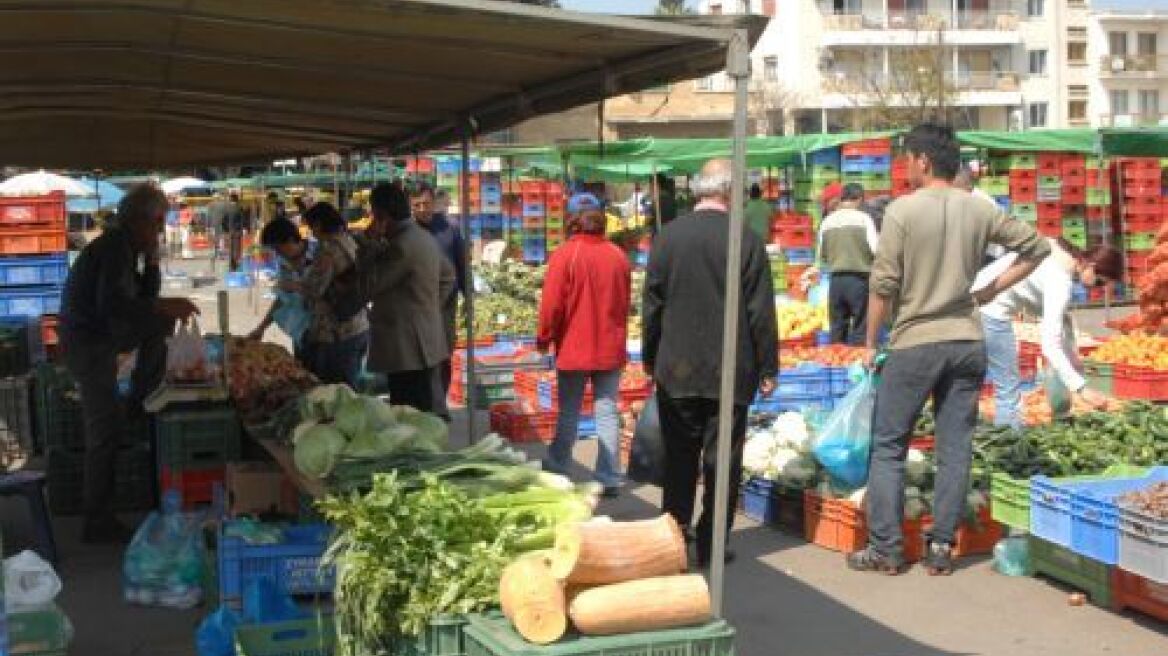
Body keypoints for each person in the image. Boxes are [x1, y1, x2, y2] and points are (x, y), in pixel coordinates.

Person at [852, 124, 1051, 576]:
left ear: (923, 160)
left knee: (888, 446)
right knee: (955, 446)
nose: (905, 167)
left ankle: (886, 548)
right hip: (966, 340)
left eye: (907, 159)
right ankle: (941, 546)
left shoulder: (902, 212)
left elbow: (882, 285)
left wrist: (869, 342)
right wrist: (988, 290)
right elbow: (1036, 247)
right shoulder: (979, 209)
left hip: (915, 341)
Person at [643, 158, 779, 567]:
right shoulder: (746, 239)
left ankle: (673, 535)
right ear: (729, 192)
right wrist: (768, 366)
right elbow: (760, 310)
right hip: (730, 368)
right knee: (723, 460)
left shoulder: (668, 237)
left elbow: (652, 304)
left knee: (680, 455)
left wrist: (652, 357)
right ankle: (711, 541)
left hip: (676, 366)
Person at [59, 184, 200, 543]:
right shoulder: (112, 248)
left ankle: (141, 397)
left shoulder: (125, 248)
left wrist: (153, 264)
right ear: (140, 220)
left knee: (160, 322)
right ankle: (97, 520)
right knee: (103, 434)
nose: (159, 233)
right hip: (90, 346)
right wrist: (160, 306)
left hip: (102, 339)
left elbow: (143, 299)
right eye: (157, 225)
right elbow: (115, 304)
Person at [537, 193, 632, 497]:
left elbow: (551, 306)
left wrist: (544, 338)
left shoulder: (565, 255)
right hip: (609, 346)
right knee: (607, 412)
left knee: (569, 411)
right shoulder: (618, 256)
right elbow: (625, 303)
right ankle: (609, 477)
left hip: (575, 347)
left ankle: (557, 468)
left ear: (571, 220)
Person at [977, 239, 1121, 428]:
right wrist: (1081, 388)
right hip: (990, 310)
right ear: (1091, 266)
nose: (1097, 288)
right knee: (1008, 391)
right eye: (1099, 282)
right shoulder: (1061, 280)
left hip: (977, 295)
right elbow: (1050, 344)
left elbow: (1031, 292)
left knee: (989, 383)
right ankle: (1011, 446)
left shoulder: (1057, 248)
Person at [361, 182, 455, 415]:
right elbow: (449, 276)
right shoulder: (422, 236)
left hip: (406, 346)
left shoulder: (401, 245)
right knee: (419, 409)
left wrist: (368, 245)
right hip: (420, 340)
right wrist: (430, 307)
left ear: (381, 215)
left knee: (409, 414)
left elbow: (369, 286)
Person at [279, 203, 370, 388]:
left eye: (312, 226)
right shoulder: (349, 240)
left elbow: (314, 288)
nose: (312, 232)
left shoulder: (328, 250)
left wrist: (292, 285)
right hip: (359, 323)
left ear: (319, 225)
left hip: (337, 332)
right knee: (348, 387)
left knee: (336, 392)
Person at [411, 184, 468, 396]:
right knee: (421, 354)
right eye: (416, 205)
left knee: (444, 353)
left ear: (433, 203)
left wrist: (467, 296)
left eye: (426, 204)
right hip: (417, 304)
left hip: (445, 305)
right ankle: (425, 397)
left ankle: (440, 399)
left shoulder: (449, 228)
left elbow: (462, 265)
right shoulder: (409, 231)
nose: (422, 209)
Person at [811, 183, 879, 346]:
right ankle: (855, 365)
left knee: (837, 328)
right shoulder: (864, 219)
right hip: (859, 281)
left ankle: (837, 365)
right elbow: (876, 250)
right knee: (860, 327)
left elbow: (821, 256)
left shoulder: (827, 222)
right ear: (860, 199)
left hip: (835, 282)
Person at [248, 218, 316, 366]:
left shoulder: (321, 253)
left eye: (278, 248)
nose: (278, 254)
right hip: (301, 333)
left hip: (329, 334)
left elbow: (332, 292)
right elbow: (282, 299)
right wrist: (261, 328)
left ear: (291, 239)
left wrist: (299, 287)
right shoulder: (285, 263)